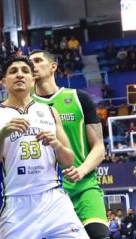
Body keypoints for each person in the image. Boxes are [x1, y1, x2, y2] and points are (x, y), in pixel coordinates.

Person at [0, 57, 86, 238]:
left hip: (54, 200)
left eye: (25, 71)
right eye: (13, 71)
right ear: (4, 82)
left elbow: (69, 160)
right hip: (15, 204)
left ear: (32, 79)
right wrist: (3, 135)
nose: (19, 74)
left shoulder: (50, 111)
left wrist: (57, 144)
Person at [31, 50, 109, 239]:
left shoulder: (79, 98)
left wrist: (81, 170)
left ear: (53, 66)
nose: (32, 65)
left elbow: (99, 147)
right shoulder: (26, 106)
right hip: (46, 192)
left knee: (99, 236)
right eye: (29, 62)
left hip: (83, 186)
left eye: (38, 60)